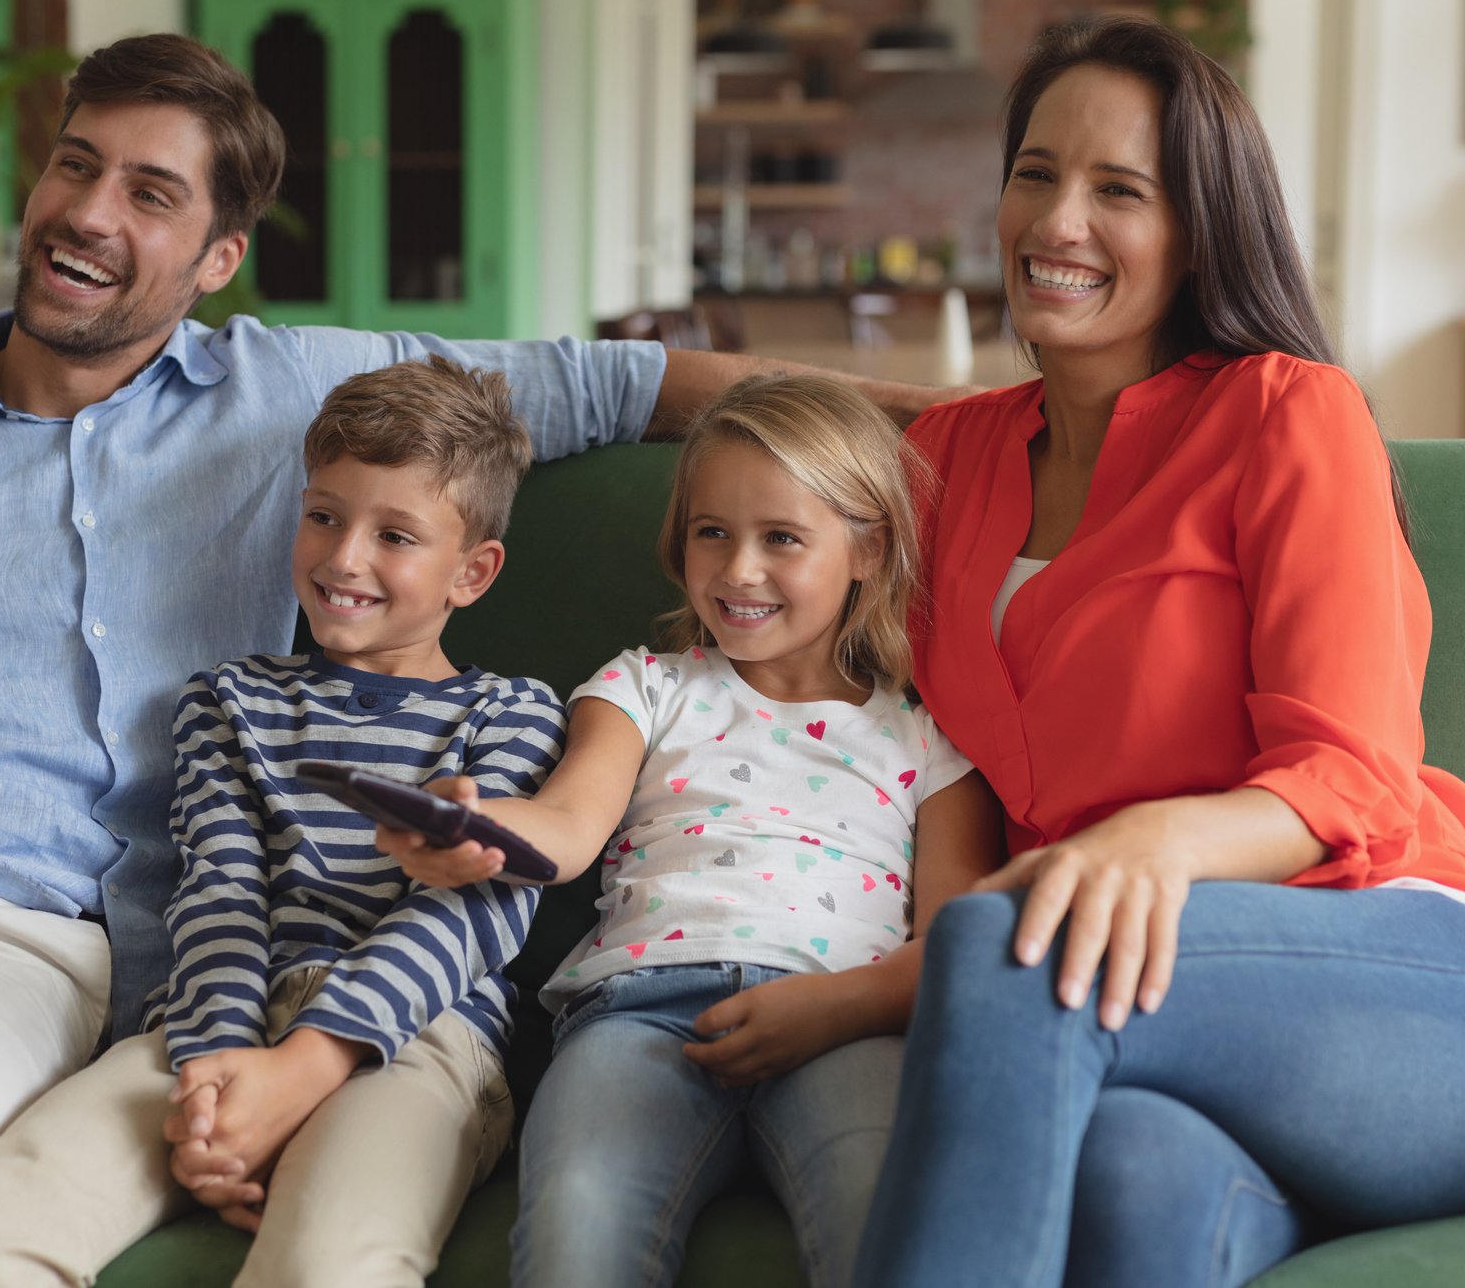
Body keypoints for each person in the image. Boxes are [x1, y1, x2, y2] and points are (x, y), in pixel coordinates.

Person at [0, 33, 942, 1287]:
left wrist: (1010, 429)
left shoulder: (302, 394)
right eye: (77, 164)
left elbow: (641, 381)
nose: (90, 212)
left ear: (216, 257)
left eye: (150, 193)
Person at [851, 17, 1465, 1288]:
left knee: (1024, 942)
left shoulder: (1288, 411)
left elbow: (1354, 778)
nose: (1059, 221)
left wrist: (1149, 840)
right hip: (1166, 1021)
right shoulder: (942, 458)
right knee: (1131, 1179)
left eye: (1121, 190)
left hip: (1425, 972)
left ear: (1201, 229)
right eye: (1035, 173)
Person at [0, 356, 564, 1288]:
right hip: (214, 1013)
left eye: (395, 535)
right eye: (323, 514)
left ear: (472, 572)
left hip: (419, 1036)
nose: (343, 558)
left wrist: (306, 1068)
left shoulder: (511, 714)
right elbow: (220, 889)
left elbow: (477, 915)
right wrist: (216, 1074)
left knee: (330, 1265)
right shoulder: (229, 699)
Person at [382, 373, 1001, 1288]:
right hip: (637, 1020)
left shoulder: (927, 737)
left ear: (868, 547)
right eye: (713, 533)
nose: (738, 570)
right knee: (575, 1225)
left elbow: (954, 940)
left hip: (845, 1022)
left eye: (781, 538)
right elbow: (564, 825)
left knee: (890, 1215)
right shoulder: (645, 685)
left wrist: (835, 1007)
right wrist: (474, 824)